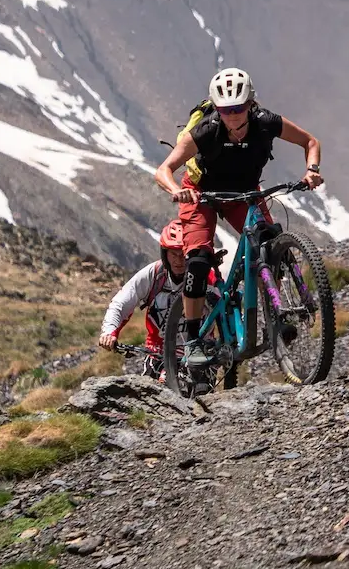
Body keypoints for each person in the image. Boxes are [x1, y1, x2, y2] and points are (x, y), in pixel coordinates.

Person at [154, 67, 323, 364]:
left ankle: (276, 317)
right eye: (225, 110)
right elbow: (164, 170)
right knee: (198, 261)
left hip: (243, 192)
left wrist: (312, 171)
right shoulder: (205, 131)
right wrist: (177, 190)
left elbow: (310, 142)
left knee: (270, 246)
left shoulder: (266, 122)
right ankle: (193, 341)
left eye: (238, 108)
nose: (232, 115)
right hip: (201, 193)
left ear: (250, 103)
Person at [97, 220, 191, 376]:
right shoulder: (154, 274)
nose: (179, 260)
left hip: (197, 353)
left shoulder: (206, 276)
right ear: (165, 253)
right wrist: (109, 332)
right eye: (174, 254)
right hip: (158, 351)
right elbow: (121, 302)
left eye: (183, 254)